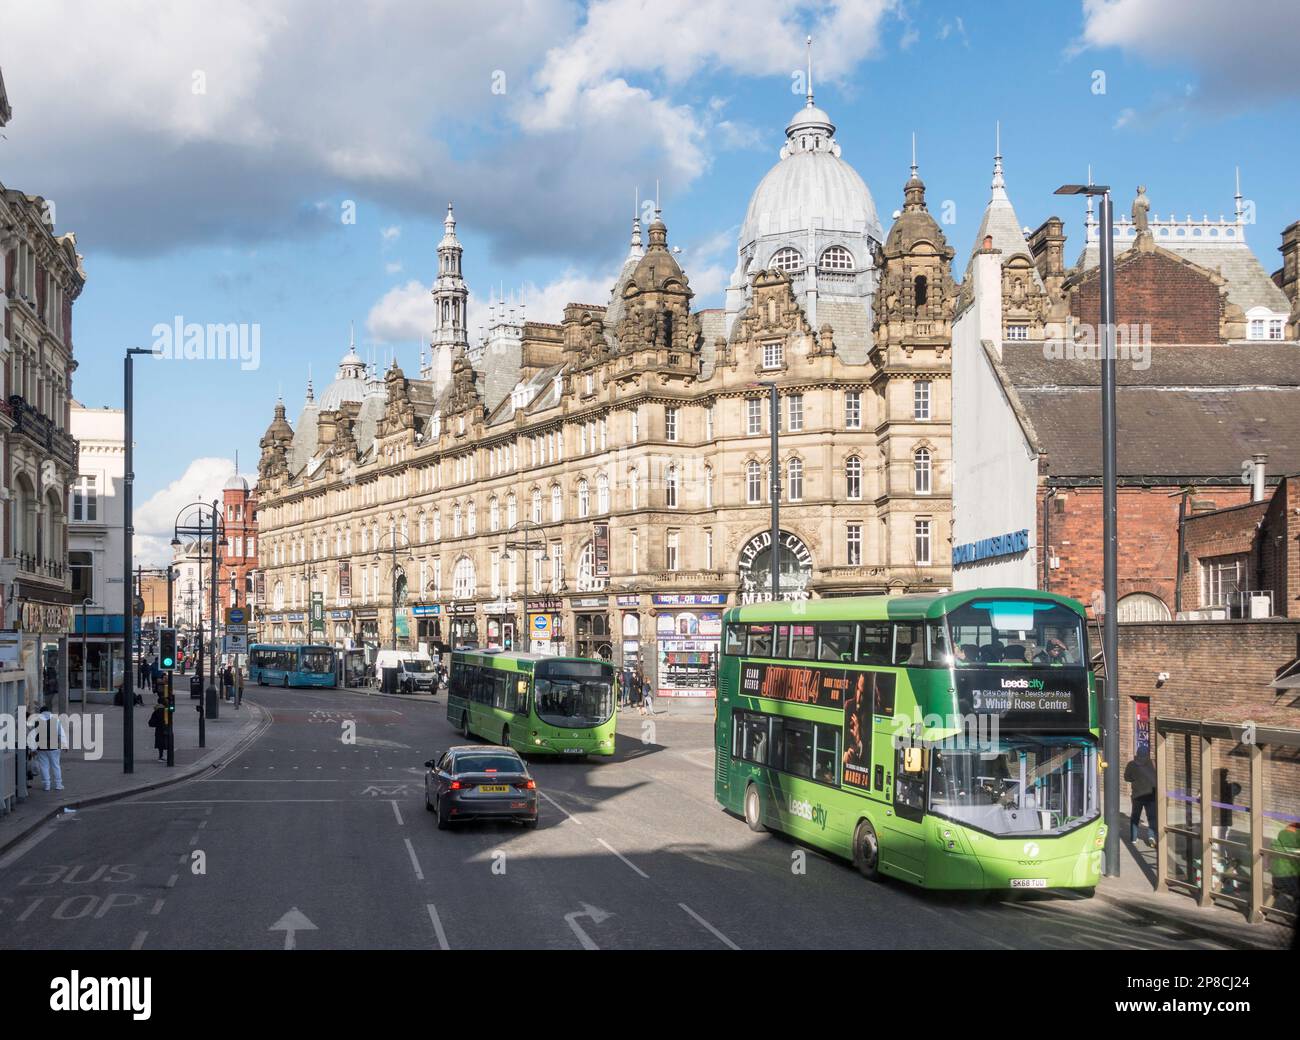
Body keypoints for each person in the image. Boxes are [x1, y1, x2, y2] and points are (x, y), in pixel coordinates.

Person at [28, 700, 68, 791]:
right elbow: (61, 733)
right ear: (49, 712)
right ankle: (58, 785)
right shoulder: (56, 720)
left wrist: (33, 749)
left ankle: (47, 785)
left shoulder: (37, 721)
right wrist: (64, 745)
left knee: (44, 766)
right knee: (56, 766)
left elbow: (33, 736)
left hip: (41, 748)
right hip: (54, 748)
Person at [1124, 748, 1158, 847]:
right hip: (1150, 794)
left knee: (1135, 817)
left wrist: (1135, 779)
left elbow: (1126, 777)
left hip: (1137, 795)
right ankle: (1151, 836)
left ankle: (1134, 838)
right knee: (1152, 817)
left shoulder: (1131, 764)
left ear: (1137, 754)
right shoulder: (1153, 763)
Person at [147, 695, 168, 761]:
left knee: (160, 743)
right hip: (163, 728)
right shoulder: (163, 710)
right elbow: (164, 720)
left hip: (158, 729)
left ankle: (160, 756)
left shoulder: (157, 709)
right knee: (164, 742)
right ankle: (163, 757)